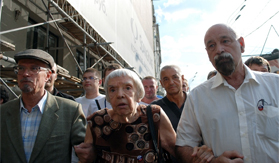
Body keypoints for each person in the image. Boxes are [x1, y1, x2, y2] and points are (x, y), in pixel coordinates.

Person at [175, 24, 279, 163]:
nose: (219, 49)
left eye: (225, 41)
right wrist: (212, 162)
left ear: (241, 44)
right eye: (211, 46)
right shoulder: (197, 97)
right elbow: (183, 146)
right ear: (208, 54)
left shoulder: (275, 85)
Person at [75, 69, 214, 163]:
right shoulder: (96, 122)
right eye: (112, 89)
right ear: (108, 97)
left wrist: (201, 155)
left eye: (128, 88)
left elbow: (178, 151)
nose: (120, 94)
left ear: (138, 94)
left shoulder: (154, 115)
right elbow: (87, 157)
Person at [1, 49, 86, 163]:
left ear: (48, 75)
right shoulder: (3, 112)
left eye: (34, 68)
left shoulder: (70, 111)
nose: (25, 74)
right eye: (21, 68)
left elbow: (86, 154)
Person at [151, 65, 187, 132]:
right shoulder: (155, 108)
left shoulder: (195, 102)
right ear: (161, 83)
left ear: (182, 79)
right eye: (166, 79)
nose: (171, 82)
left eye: (175, 77)